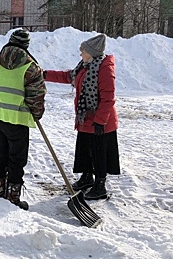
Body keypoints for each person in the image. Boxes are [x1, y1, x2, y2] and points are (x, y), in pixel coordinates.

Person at [43, 34, 120, 200]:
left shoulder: (104, 68)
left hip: (101, 121)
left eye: (82, 51)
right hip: (86, 118)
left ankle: (100, 186)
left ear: (91, 53)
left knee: (99, 153)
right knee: (85, 150)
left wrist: (100, 121)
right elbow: (67, 76)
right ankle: (86, 178)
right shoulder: (84, 66)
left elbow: (108, 97)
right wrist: (45, 74)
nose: (80, 54)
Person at [0, 29, 46, 210]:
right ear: (26, 46)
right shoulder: (31, 68)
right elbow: (36, 96)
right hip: (17, 120)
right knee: (16, 159)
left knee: (1, 154)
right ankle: (13, 197)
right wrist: (36, 114)